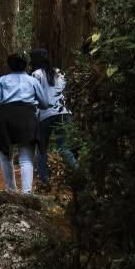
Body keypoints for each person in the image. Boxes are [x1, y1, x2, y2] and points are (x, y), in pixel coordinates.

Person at [0, 53, 47, 193]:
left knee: (5, 154)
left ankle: (11, 190)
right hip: (27, 117)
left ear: (9, 66)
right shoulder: (32, 81)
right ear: (25, 65)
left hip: (6, 117)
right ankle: (26, 193)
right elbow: (44, 103)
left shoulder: (2, 80)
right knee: (26, 158)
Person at [30, 46, 78, 189]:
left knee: (42, 149)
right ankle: (78, 171)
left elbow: (33, 96)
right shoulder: (60, 73)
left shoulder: (36, 74)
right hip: (64, 112)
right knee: (63, 147)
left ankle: (45, 180)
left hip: (45, 115)